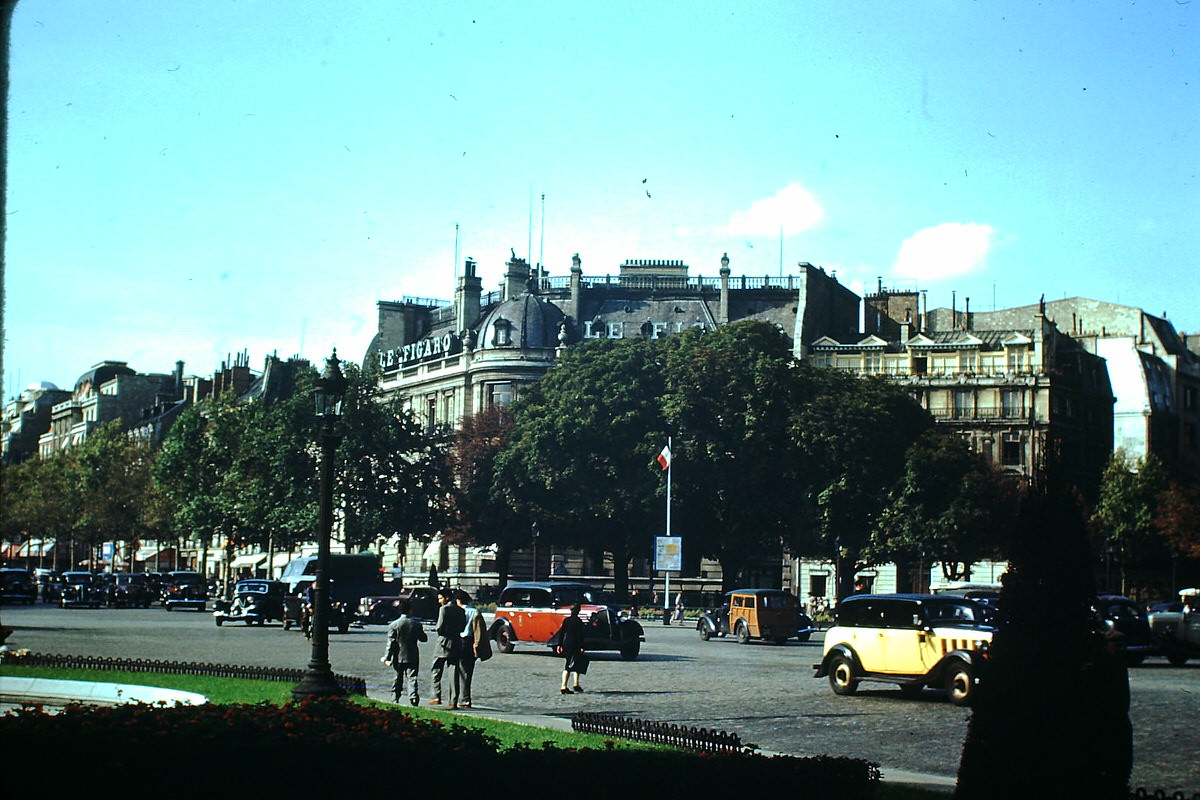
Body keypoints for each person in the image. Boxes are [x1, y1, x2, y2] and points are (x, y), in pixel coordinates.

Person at [381, 599, 427, 706]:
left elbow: (391, 643)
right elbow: (423, 639)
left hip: (398, 655)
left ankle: (395, 697)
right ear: (410, 611)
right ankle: (413, 696)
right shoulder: (416, 624)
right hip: (412, 655)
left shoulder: (394, 625)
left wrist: (387, 657)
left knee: (397, 677)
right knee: (412, 677)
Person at [429, 586, 466, 709]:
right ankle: (453, 700)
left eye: (440, 598)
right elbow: (462, 627)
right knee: (454, 672)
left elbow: (439, 627)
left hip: (443, 642)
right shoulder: (461, 610)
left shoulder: (444, 609)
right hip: (456, 642)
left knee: (436, 669)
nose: (439, 601)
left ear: (447, 598)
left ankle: (436, 696)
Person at [455, 589, 490, 708]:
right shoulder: (474, 612)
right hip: (468, 642)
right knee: (467, 673)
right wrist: (477, 647)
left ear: (458, 600)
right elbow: (479, 632)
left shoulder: (456, 611)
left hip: (457, 641)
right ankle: (465, 698)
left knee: (456, 671)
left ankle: (456, 697)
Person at [553, 602, 587, 694]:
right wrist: (582, 646)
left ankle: (576, 684)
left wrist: (559, 645)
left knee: (573, 663)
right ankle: (564, 686)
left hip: (566, 644)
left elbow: (561, 633)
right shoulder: (579, 622)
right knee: (571, 665)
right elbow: (581, 636)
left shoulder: (566, 620)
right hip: (575, 645)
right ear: (578, 611)